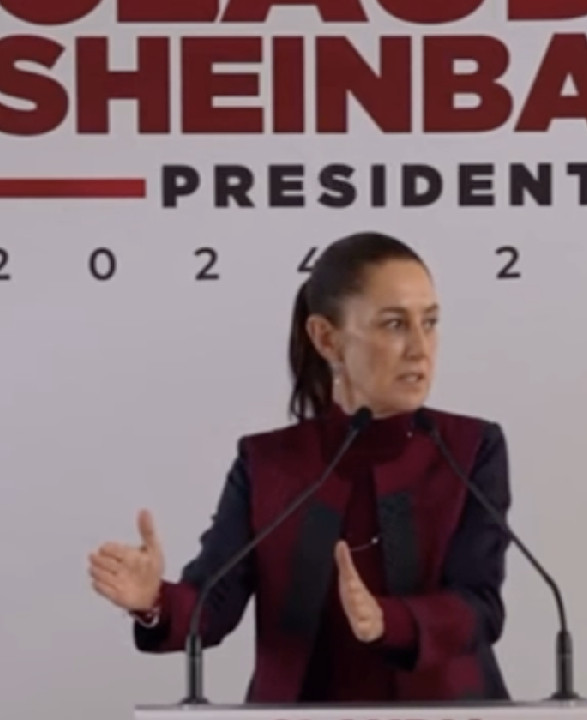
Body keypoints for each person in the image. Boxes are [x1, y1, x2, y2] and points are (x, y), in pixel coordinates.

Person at [88, 231, 513, 703]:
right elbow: (211, 606)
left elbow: (480, 606)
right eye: (394, 324)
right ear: (326, 338)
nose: (420, 348)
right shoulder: (267, 462)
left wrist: (387, 620)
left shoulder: (471, 447)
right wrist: (152, 600)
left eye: (429, 323)